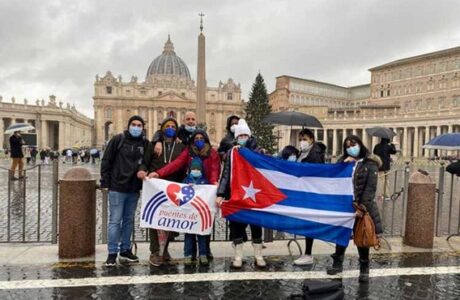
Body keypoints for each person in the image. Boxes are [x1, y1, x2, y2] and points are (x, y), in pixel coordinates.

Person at [149, 129, 221, 264]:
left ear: (206, 140)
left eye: (202, 138)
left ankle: (205, 250)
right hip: (191, 189)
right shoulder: (188, 151)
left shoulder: (212, 153)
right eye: (196, 138)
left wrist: (214, 182)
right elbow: (175, 164)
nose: (199, 141)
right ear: (193, 140)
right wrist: (158, 173)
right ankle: (190, 252)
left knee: (205, 221)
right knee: (191, 221)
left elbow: (214, 170)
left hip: (206, 190)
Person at [326, 135, 383, 283]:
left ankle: (364, 268)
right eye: (347, 146)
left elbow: (370, 189)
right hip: (345, 206)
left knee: (362, 237)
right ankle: (337, 263)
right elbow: (335, 181)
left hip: (362, 207)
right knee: (341, 235)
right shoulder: (343, 162)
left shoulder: (370, 164)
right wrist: (343, 165)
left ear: (360, 144)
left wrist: (362, 208)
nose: (351, 148)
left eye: (353, 144)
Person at [216, 119, 266, 268]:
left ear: (249, 136)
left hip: (254, 195)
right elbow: (226, 174)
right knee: (236, 225)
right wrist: (221, 193)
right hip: (236, 194)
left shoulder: (257, 151)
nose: (243, 138)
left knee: (256, 225)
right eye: (240, 136)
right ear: (236, 137)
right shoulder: (232, 152)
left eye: (245, 135)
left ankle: (258, 255)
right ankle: (238, 255)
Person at [138, 117, 187, 267]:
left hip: (173, 188)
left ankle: (164, 250)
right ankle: (154, 251)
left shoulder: (181, 146)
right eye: (167, 126)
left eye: (173, 126)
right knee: (155, 219)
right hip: (155, 187)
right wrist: (141, 170)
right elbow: (145, 162)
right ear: (162, 128)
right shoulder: (153, 145)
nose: (170, 128)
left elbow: (182, 167)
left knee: (170, 219)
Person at [100, 115, 148, 267]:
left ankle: (125, 249)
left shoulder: (145, 143)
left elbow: (147, 162)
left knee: (128, 221)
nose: (136, 127)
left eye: (139, 125)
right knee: (115, 221)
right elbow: (106, 159)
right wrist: (105, 181)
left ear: (142, 128)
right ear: (128, 126)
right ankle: (112, 253)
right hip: (117, 187)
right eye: (133, 124)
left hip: (133, 188)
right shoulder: (118, 139)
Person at [292, 129, 326, 266]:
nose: (302, 141)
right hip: (304, 191)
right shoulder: (303, 152)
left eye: (304, 139)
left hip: (311, 192)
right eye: (300, 139)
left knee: (309, 221)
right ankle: (307, 253)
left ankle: (308, 253)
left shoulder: (315, 153)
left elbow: (316, 172)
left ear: (312, 139)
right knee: (306, 221)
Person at [182, 157, 211, 266]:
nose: (196, 170)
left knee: (202, 235)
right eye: (193, 168)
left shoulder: (205, 181)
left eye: (198, 169)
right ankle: (187, 255)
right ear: (190, 169)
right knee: (189, 236)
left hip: (200, 213)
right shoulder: (186, 180)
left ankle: (203, 254)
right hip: (189, 213)